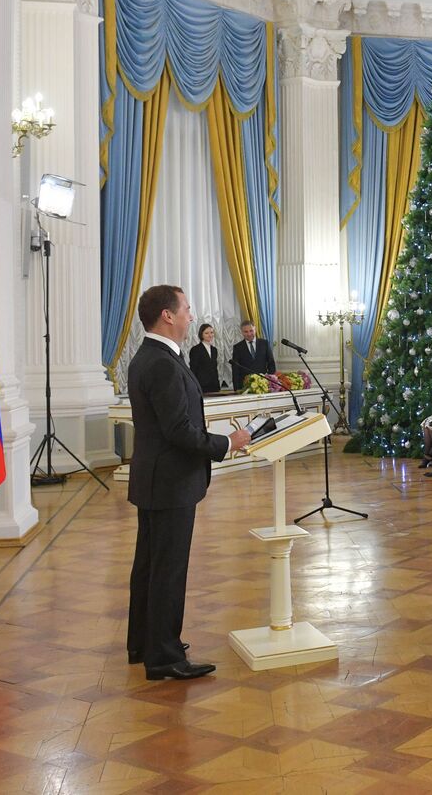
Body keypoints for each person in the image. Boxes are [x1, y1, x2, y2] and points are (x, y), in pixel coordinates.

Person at [127, 285, 248, 681]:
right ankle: (164, 658)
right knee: (167, 569)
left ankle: (144, 643)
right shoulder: (161, 362)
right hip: (170, 482)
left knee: (150, 565)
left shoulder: (149, 356)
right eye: (187, 309)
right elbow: (179, 430)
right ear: (167, 315)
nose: (191, 316)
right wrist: (227, 443)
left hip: (158, 479)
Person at [230, 319, 277, 389]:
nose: (249, 334)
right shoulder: (237, 347)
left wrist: (270, 381)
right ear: (242, 332)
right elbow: (235, 371)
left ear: (255, 329)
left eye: (251, 330)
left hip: (264, 384)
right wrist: (236, 389)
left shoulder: (264, 344)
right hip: (245, 386)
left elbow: (271, 363)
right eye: (246, 332)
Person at [187, 323, 222, 394]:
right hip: (201, 386)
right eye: (206, 333)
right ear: (201, 334)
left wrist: (218, 384)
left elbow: (215, 368)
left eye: (211, 332)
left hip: (214, 386)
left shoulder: (214, 350)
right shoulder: (195, 349)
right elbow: (193, 369)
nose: (210, 335)